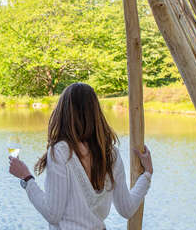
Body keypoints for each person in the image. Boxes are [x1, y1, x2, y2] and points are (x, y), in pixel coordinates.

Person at [8, 82, 153, 230]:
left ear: (63, 113)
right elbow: (127, 209)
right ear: (96, 113)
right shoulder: (111, 153)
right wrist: (147, 174)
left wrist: (26, 178)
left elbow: (52, 214)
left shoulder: (60, 152)